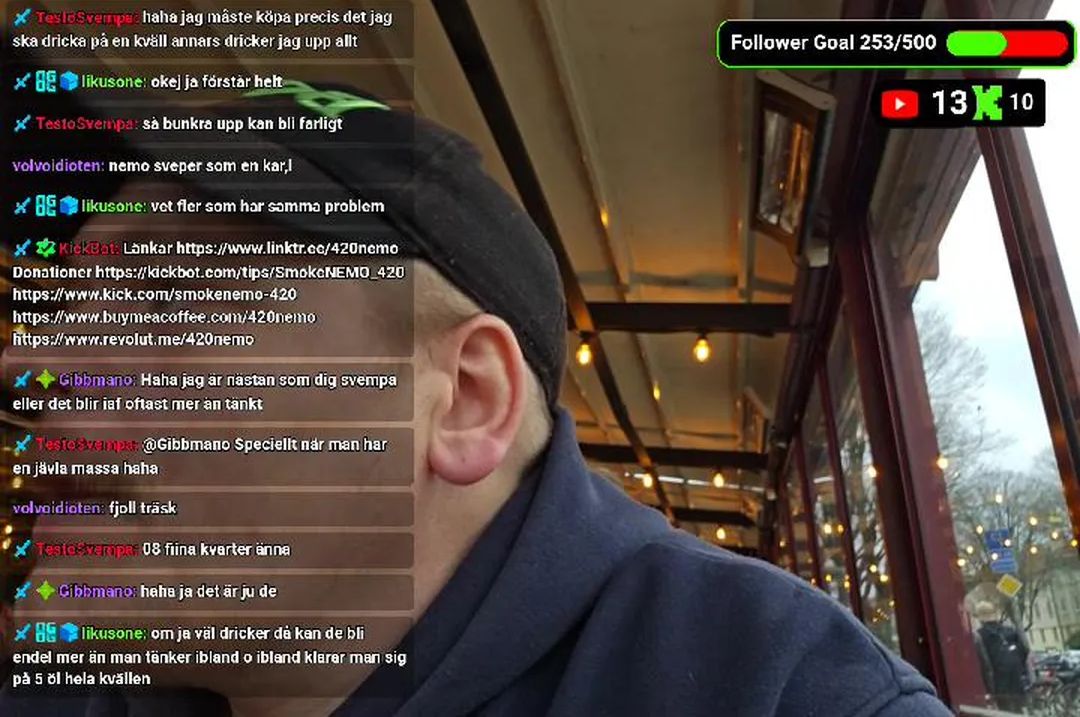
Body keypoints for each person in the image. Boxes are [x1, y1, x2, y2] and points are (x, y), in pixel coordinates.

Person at [0, 81, 955, 716]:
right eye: (65, 307)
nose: (25, 363)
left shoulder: (782, 691)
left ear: (462, 400)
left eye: (166, 297)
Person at [973, 602, 1030, 712]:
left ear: (980, 618)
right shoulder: (1009, 630)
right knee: (1018, 710)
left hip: (998, 681)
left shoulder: (980, 635)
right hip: (1016, 678)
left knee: (1004, 710)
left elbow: (983, 662)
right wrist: (1019, 668)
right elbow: (1024, 650)